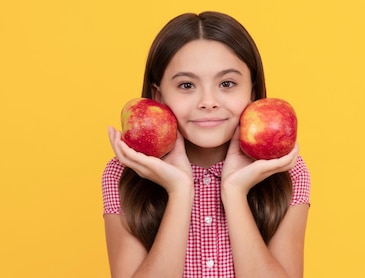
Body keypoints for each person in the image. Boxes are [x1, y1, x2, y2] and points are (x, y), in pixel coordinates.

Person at [101, 11, 311, 278]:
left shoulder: (285, 171)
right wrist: (179, 190)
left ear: (253, 92)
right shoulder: (123, 175)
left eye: (227, 83)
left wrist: (234, 191)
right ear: (158, 96)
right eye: (187, 85)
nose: (208, 101)